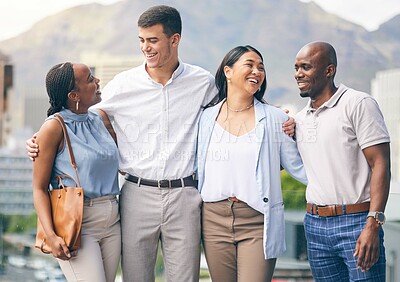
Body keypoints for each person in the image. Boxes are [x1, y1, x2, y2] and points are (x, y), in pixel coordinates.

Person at [27, 5, 295, 281]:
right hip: (135, 195)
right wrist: (39, 138)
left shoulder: (202, 82)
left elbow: (237, 104)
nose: (146, 47)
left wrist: (277, 115)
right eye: (142, 40)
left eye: (153, 40)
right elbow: (79, 117)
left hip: (185, 196)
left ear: (174, 40)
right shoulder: (123, 84)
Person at [196, 45, 308, 282]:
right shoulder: (205, 118)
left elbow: (300, 168)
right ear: (228, 71)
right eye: (249, 65)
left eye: (261, 67)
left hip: (257, 220)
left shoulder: (276, 119)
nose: (257, 71)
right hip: (213, 219)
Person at [294, 41, 391, 281]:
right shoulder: (299, 119)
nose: (298, 74)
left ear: (329, 70)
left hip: (357, 223)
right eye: (296, 67)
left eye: (305, 67)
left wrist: (373, 225)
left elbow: (381, 165)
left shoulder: (359, 104)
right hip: (315, 226)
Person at [32, 62, 121, 282]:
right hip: (78, 224)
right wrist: (51, 236)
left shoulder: (100, 119)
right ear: (74, 95)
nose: (98, 81)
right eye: (91, 79)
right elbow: (39, 188)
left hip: (112, 220)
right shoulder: (54, 127)